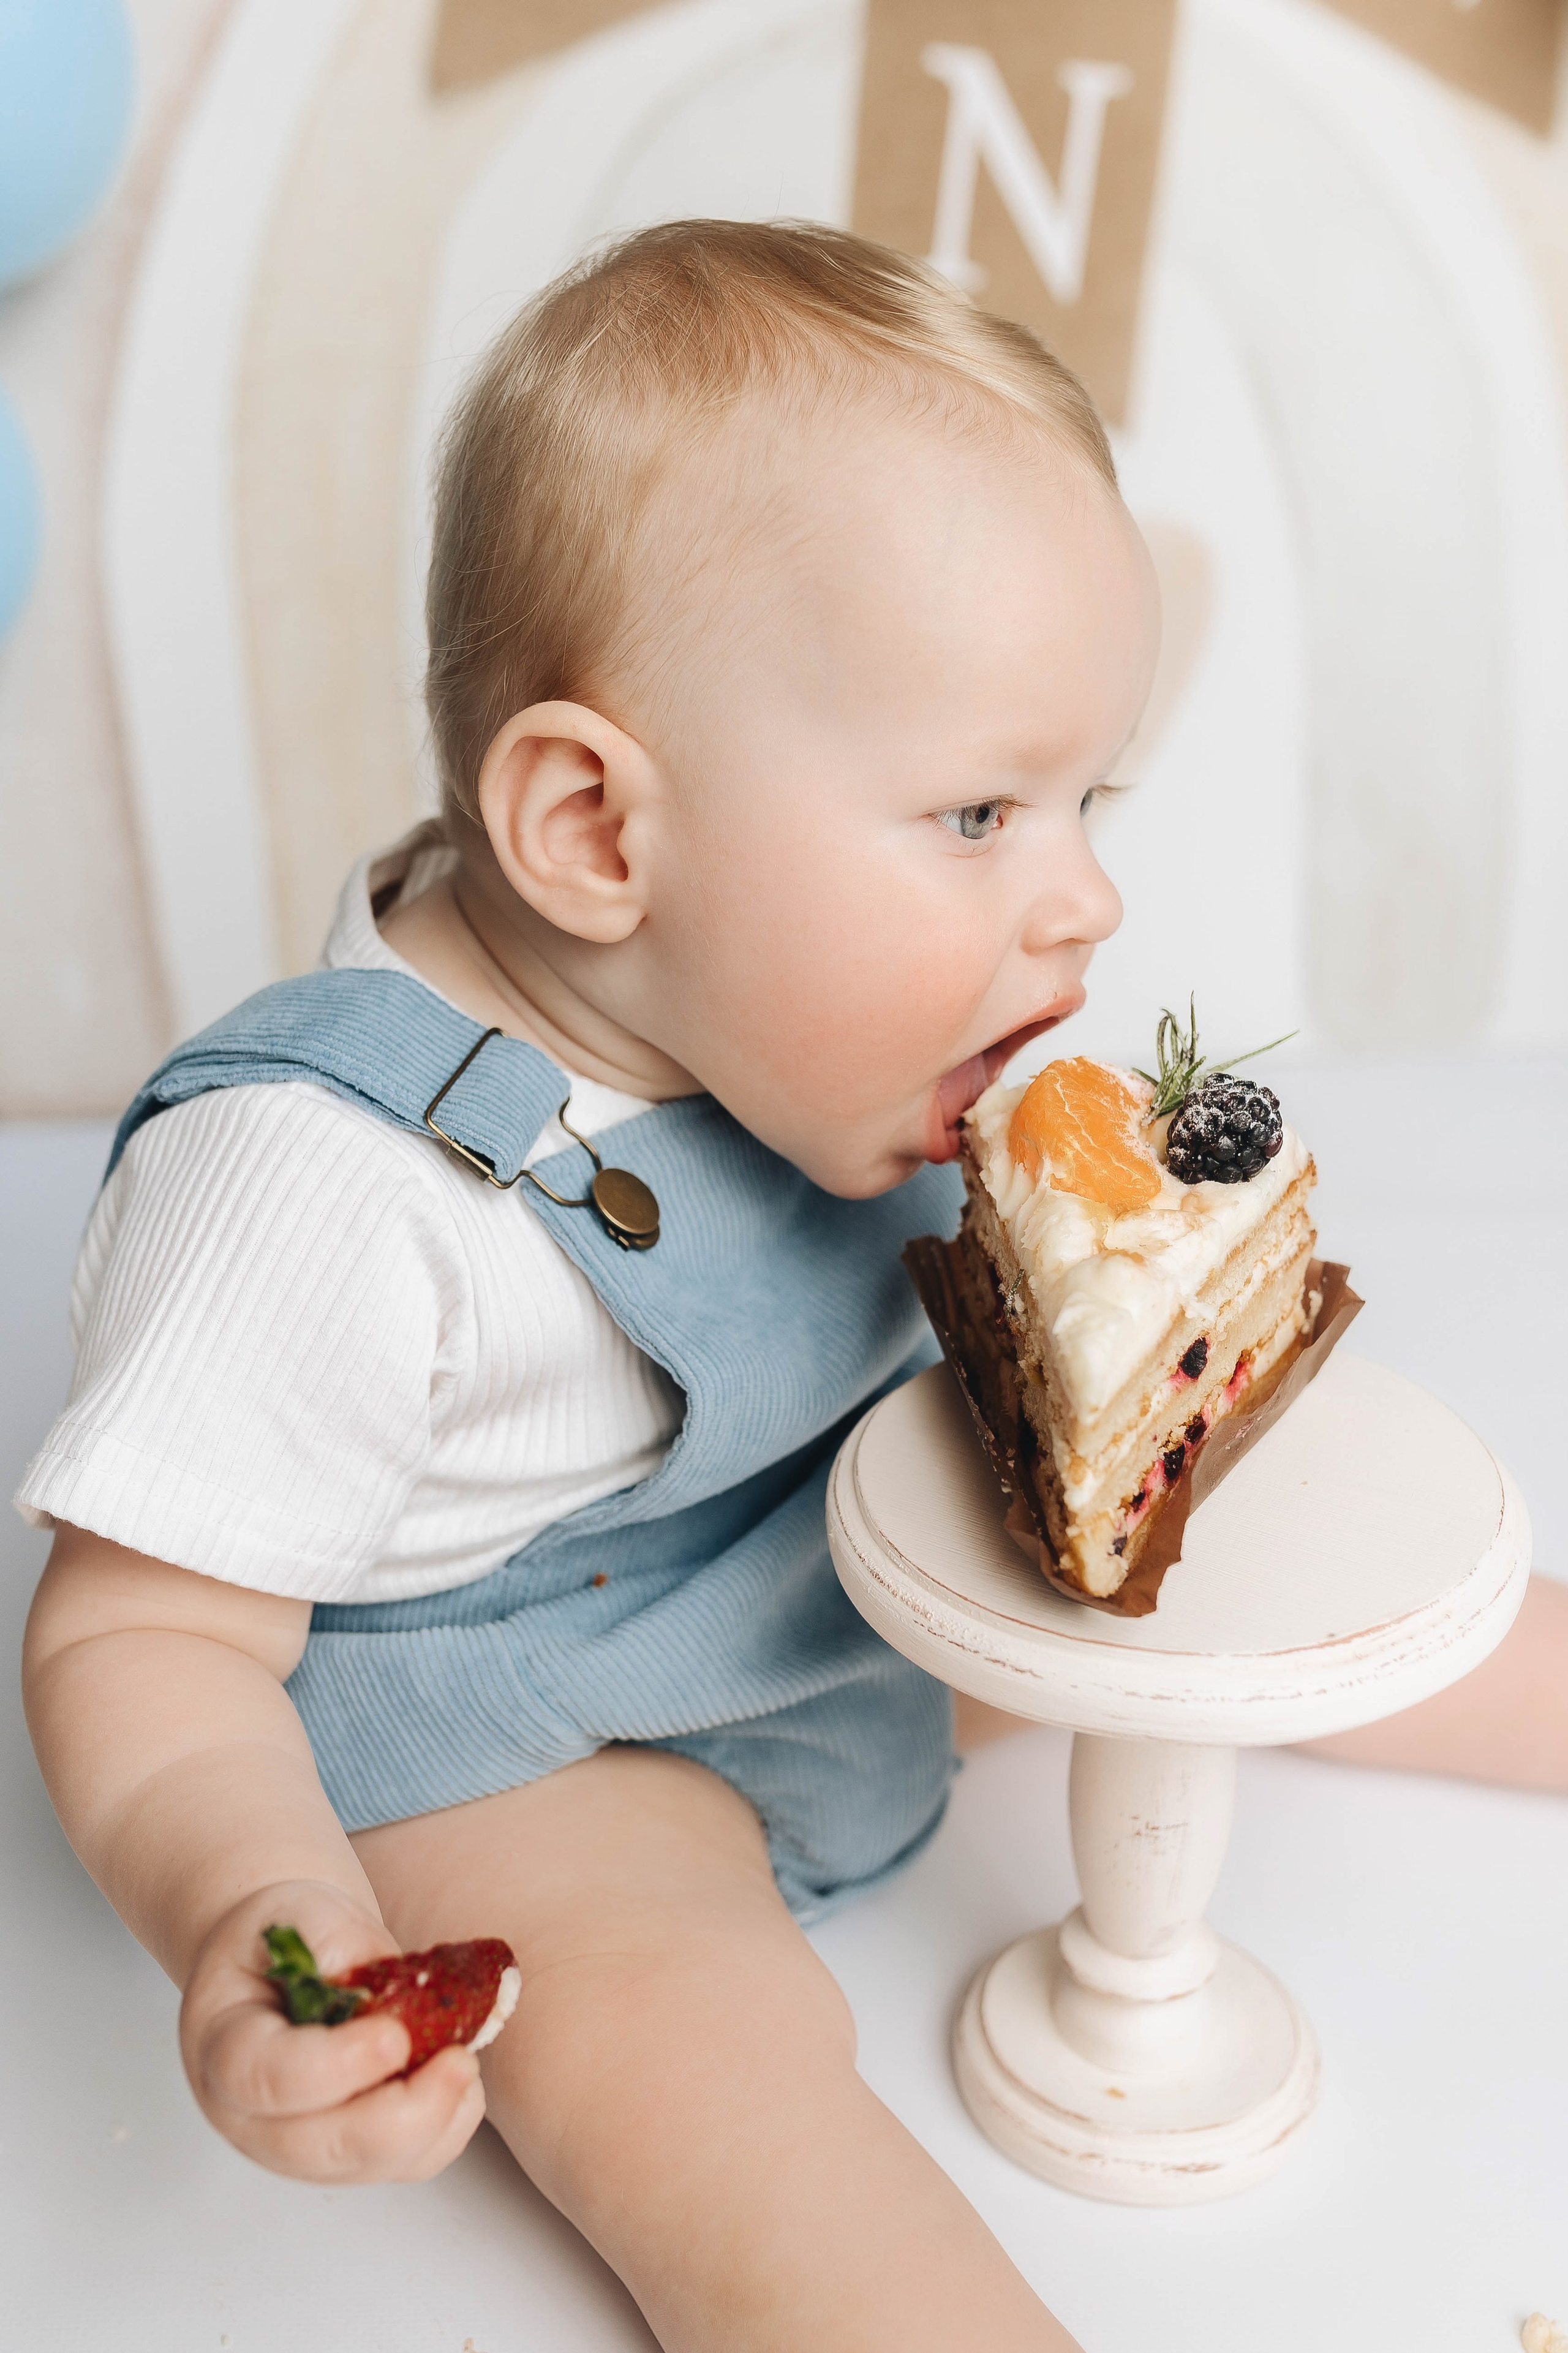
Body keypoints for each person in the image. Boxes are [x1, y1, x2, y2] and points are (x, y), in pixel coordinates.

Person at [16, 221, 1562, 2353]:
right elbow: (148, 1631)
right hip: (533, 1745)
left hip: (810, 1570)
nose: (1087, 896)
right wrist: (250, 1905)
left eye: (1085, 801)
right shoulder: (318, 1193)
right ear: (589, 828)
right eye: (976, 810)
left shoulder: (754, 1010)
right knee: (713, 2071)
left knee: (1239, 1580)